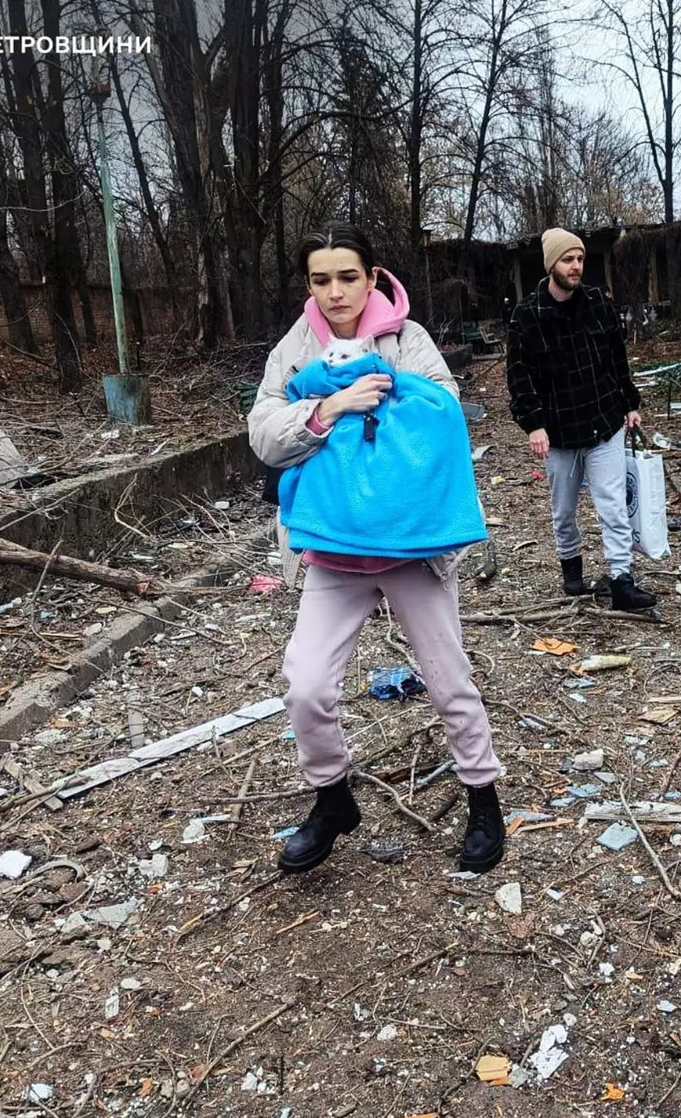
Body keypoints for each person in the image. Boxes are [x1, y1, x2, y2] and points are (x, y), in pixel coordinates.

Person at [248, 222, 505, 876]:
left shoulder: (407, 339)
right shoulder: (294, 349)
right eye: (321, 279)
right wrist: (329, 406)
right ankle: (333, 799)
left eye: (347, 276)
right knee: (306, 685)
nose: (335, 292)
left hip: (411, 545)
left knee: (448, 679)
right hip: (333, 549)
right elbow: (264, 437)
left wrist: (380, 388)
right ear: (309, 285)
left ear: (372, 277)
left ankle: (483, 798)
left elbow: (444, 413)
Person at [506, 228, 657, 611]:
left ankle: (622, 580)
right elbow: (519, 377)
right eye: (567, 260)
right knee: (564, 509)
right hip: (558, 431)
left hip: (604, 421)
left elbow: (617, 359)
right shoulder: (528, 315)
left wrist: (630, 403)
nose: (575, 266)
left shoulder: (597, 304)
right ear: (551, 265)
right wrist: (533, 424)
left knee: (613, 505)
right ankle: (571, 570)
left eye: (579, 259)